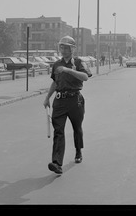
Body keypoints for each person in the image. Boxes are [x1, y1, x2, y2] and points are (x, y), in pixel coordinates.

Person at [43, 36, 91, 174]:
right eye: (61, 47)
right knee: (58, 131)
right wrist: (47, 98)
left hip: (75, 100)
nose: (63, 50)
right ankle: (57, 163)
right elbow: (55, 82)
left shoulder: (78, 62)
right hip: (60, 101)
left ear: (72, 49)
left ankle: (78, 151)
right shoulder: (56, 64)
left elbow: (85, 77)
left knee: (77, 128)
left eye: (66, 47)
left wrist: (68, 70)